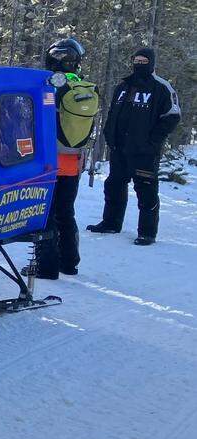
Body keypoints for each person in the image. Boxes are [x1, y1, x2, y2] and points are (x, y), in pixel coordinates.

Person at [87, 47, 181, 245]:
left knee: (145, 189)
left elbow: (172, 116)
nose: (139, 64)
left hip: (144, 151)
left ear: (151, 62)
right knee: (114, 185)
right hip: (120, 148)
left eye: (143, 61)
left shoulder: (161, 87)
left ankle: (147, 232)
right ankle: (111, 222)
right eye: (136, 60)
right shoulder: (123, 86)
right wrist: (109, 134)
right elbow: (113, 112)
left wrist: (152, 142)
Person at [36, 38, 99, 279]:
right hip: (73, 161)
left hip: (51, 160)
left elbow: (42, 114)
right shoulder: (81, 85)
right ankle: (69, 262)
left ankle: (47, 266)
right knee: (65, 211)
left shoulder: (54, 83)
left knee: (47, 213)